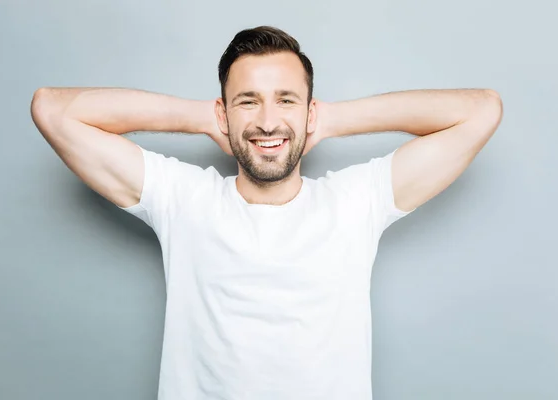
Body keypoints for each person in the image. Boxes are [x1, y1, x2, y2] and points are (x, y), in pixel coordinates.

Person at [30, 25, 503, 400]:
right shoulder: (183, 199)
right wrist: (204, 118)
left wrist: (329, 120)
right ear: (224, 114)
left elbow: (482, 110)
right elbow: (52, 110)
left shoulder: (357, 201)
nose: (268, 121)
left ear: (309, 112)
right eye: (248, 101)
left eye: (286, 100)